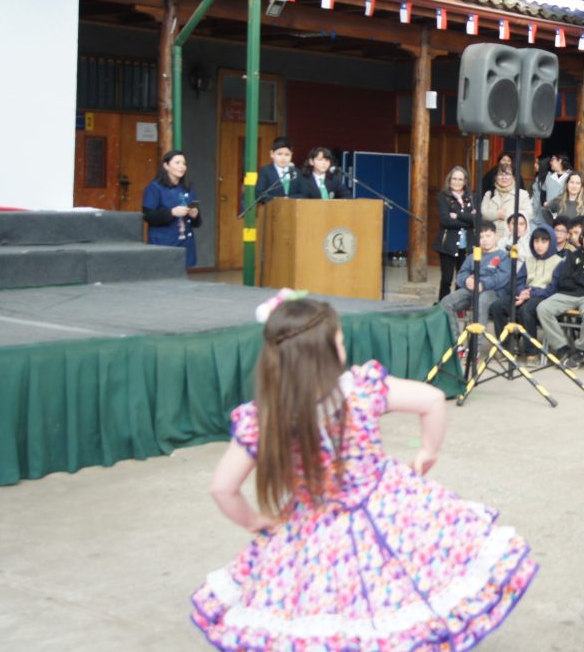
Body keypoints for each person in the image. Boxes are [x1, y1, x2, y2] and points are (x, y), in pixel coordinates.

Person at [190, 293, 536, 650]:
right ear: (328, 350)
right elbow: (432, 400)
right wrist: (427, 452)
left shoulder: (264, 416)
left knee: (326, 607)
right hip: (387, 506)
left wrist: (255, 521)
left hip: (312, 530)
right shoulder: (361, 389)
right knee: (398, 586)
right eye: (339, 340)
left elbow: (222, 488)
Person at [536, 222, 584, 367]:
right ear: (582, 240)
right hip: (568, 294)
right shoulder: (572, 255)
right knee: (543, 308)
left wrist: (577, 275)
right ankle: (562, 347)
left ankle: (580, 350)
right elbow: (563, 281)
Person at [491, 224, 562, 364]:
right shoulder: (529, 260)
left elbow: (553, 288)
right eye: (536, 241)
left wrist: (530, 294)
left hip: (543, 296)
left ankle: (532, 352)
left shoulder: (558, 262)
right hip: (524, 293)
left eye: (544, 241)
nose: (539, 245)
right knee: (497, 306)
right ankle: (506, 347)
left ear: (551, 242)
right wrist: (521, 291)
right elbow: (518, 280)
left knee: (525, 310)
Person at [438, 221, 515, 340]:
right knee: (446, 302)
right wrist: (467, 280)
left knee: (482, 300)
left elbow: (501, 278)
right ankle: (456, 342)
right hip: (472, 289)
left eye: (488, 236)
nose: (484, 240)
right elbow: (461, 274)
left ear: (496, 236)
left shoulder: (503, 256)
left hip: (493, 292)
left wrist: (483, 284)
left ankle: (476, 346)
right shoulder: (473, 255)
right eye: (481, 236)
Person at [143, 149, 202, 268]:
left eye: (184, 163)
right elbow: (148, 216)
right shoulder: (155, 188)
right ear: (166, 166)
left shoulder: (188, 188)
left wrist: (195, 215)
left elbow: (197, 222)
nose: (182, 167)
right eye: (177, 163)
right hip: (164, 243)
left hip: (185, 242)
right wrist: (172, 213)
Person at [434, 165, 475, 302]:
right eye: (454, 179)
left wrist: (457, 215)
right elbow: (445, 221)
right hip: (448, 244)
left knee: (461, 278)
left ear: (465, 181)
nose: (457, 182)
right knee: (447, 278)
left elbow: (476, 220)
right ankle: (442, 305)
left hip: (466, 245)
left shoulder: (472, 197)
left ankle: (458, 305)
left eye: (460, 179)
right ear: (449, 180)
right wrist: (467, 219)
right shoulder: (443, 197)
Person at [481, 167, 533, 249]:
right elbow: (483, 214)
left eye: (508, 175)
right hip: (491, 240)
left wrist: (508, 215)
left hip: (512, 240)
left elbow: (528, 214)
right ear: (495, 178)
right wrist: (497, 215)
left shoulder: (522, 194)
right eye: (500, 175)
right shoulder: (489, 194)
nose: (504, 178)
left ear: (513, 177)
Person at [254, 136, 296, 204]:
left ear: (291, 155)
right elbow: (259, 193)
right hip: (273, 209)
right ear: (272, 154)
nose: (283, 158)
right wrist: (276, 199)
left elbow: (303, 193)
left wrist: (289, 199)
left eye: (287, 155)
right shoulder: (266, 171)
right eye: (279, 154)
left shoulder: (296, 172)